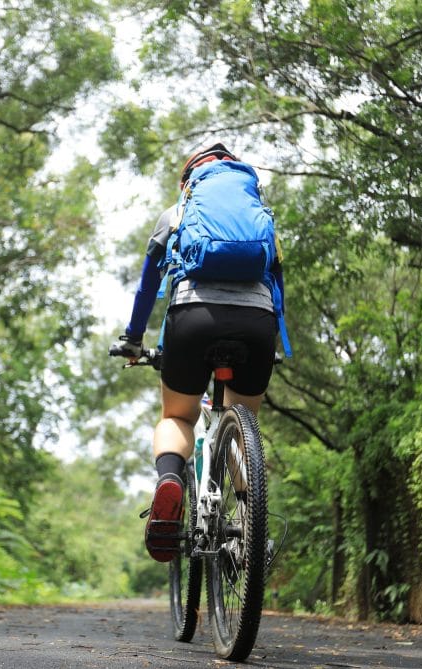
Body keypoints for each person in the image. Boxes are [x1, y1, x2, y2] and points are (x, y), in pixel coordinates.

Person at [109, 141, 284, 562]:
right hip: (257, 324)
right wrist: (271, 340)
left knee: (177, 415)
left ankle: (170, 481)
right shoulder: (262, 219)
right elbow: (277, 285)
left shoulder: (178, 213)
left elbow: (147, 285)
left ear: (190, 181)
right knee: (246, 423)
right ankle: (250, 523)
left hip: (192, 318)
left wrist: (134, 339)